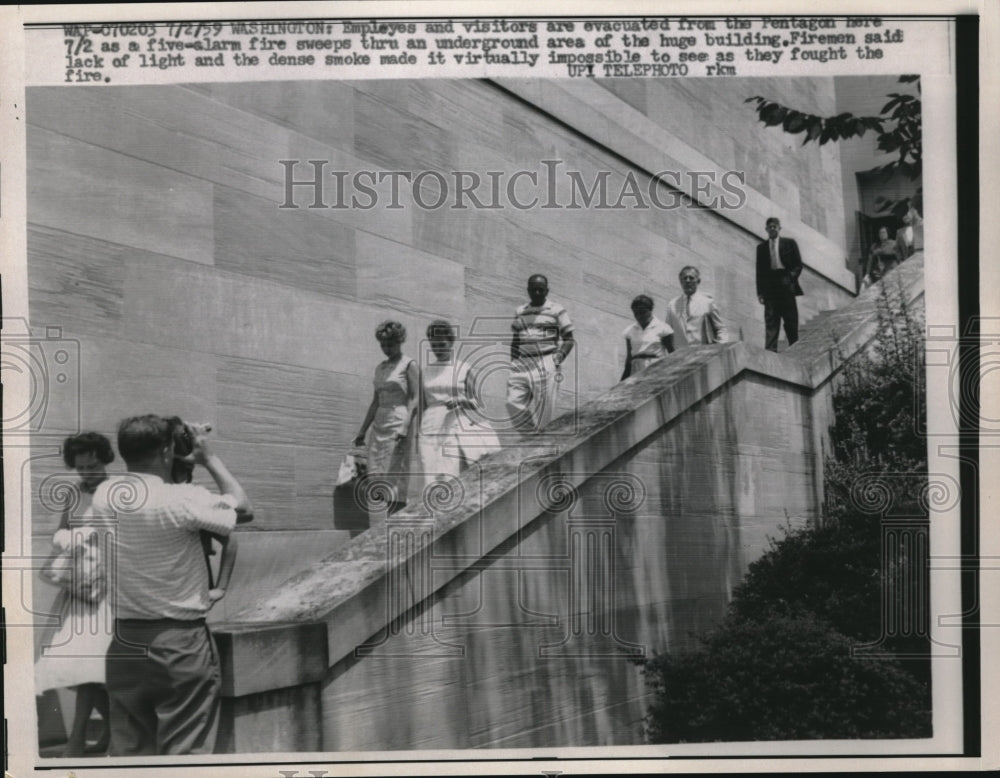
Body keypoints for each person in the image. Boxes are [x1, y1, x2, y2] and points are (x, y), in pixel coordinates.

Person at [94, 415, 251, 755]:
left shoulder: (105, 495)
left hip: (125, 641)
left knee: (130, 755)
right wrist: (208, 458)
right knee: (186, 752)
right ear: (167, 451)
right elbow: (243, 507)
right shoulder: (184, 498)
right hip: (180, 644)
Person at [35, 432, 115, 756]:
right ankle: (109, 729)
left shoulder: (117, 493)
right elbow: (63, 529)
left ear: (104, 459)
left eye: (92, 465)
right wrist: (68, 542)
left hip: (109, 591)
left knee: (91, 668)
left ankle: (77, 739)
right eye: (81, 468)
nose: (87, 473)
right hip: (79, 590)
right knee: (78, 666)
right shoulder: (73, 494)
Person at [418, 320, 501, 490]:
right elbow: (421, 406)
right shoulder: (425, 371)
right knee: (430, 475)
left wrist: (461, 400)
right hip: (429, 427)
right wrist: (416, 436)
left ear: (451, 342)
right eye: (434, 346)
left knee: (449, 473)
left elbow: (478, 403)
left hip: (454, 424)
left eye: (442, 344)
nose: (438, 349)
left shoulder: (464, 368)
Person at [354, 321, 419, 515]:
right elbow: (375, 401)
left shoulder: (408, 364)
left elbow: (416, 398)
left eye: (390, 344)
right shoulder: (380, 368)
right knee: (377, 475)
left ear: (399, 342)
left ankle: (397, 522)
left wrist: (405, 427)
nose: (386, 349)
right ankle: (382, 524)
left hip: (398, 422)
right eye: (383, 345)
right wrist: (362, 431)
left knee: (395, 474)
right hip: (379, 424)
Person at [506, 274, 574, 432]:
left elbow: (569, 339)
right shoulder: (520, 311)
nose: (537, 293)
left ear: (547, 291)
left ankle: (541, 440)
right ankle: (531, 437)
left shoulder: (557, 310)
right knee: (512, 403)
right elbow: (515, 340)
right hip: (523, 362)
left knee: (544, 410)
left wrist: (558, 359)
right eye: (534, 290)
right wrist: (513, 362)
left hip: (546, 360)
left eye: (540, 290)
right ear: (528, 290)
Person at [755, 217, 804, 352]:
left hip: (786, 283)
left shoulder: (789, 243)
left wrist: (790, 278)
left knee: (790, 319)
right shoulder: (761, 248)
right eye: (769, 227)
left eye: (774, 226)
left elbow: (798, 265)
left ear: (779, 228)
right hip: (770, 286)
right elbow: (759, 271)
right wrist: (760, 292)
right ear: (766, 229)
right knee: (771, 319)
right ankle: (770, 351)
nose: (772, 229)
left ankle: (794, 347)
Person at [664, 267, 729, 348]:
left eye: (691, 278)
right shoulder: (672, 305)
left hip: (702, 355)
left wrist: (719, 349)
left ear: (698, 281)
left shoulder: (707, 303)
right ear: (680, 281)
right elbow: (667, 333)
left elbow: (721, 329)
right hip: (680, 356)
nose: (687, 281)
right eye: (684, 278)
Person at [621, 295, 674, 380]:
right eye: (636, 313)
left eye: (642, 312)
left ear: (650, 310)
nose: (639, 316)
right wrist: (623, 380)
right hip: (636, 371)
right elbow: (629, 359)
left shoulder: (663, 328)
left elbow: (672, 354)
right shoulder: (629, 331)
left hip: (656, 370)